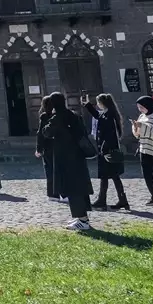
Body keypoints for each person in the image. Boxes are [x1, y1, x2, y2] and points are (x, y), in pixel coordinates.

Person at [41, 91, 93, 230]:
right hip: (78, 156)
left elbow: (46, 132)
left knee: (72, 188)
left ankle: (82, 220)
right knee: (79, 186)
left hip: (66, 157)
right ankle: (82, 217)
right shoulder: (73, 114)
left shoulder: (57, 117)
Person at [84, 93, 128, 211]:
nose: (97, 105)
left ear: (102, 103)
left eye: (98, 102)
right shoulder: (107, 114)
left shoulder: (109, 115)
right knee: (110, 177)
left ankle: (108, 200)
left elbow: (109, 135)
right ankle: (110, 200)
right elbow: (98, 115)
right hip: (106, 150)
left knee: (111, 176)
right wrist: (88, 105)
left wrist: (103, 149)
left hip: (107, 151)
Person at [35, 97, 58, 200]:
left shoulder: (44, 116)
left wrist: (39, 149)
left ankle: (52, 193)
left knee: (49, 170)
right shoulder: (58, 114)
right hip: (59, 146)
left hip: (48, 147)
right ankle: (60, 192)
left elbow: (41, 134)